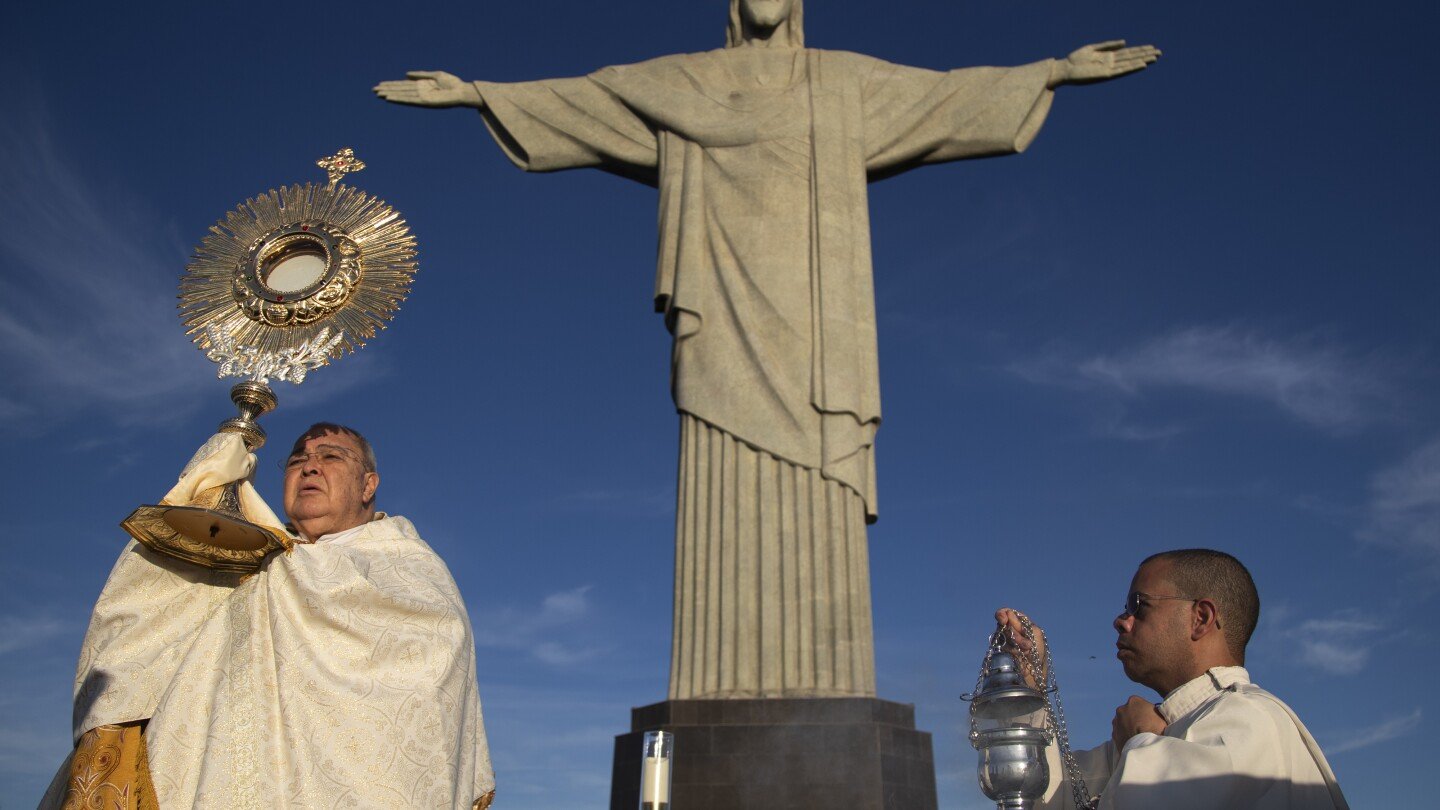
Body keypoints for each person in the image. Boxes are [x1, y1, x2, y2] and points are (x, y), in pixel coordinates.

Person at [375, 0, 1160, 701]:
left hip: (819, 324)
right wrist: (479, 93)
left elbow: (948, 95)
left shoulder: (840, 82)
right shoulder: (681, 81)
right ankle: (715, 686)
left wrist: (1053, 71)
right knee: (719, 452)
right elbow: (590, 98)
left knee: (820, 468)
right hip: (718, 306)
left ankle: (829, 685)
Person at [42, 424, 496, 809]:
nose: (309, 466)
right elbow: (141, 616)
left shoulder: (408, 567)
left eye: (331, 457)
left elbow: (429, 682)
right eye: (297, 459)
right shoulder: (248, 558)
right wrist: (210, 482)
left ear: (368, 485)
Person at [996, 549, 1348, 809]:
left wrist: (1143, 738)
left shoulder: (1249, 722)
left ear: (1201, 618)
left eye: (1139, 605)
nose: (1121, 620)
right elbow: (1048, 797)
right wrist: (1030, 687)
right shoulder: (1147, 739)